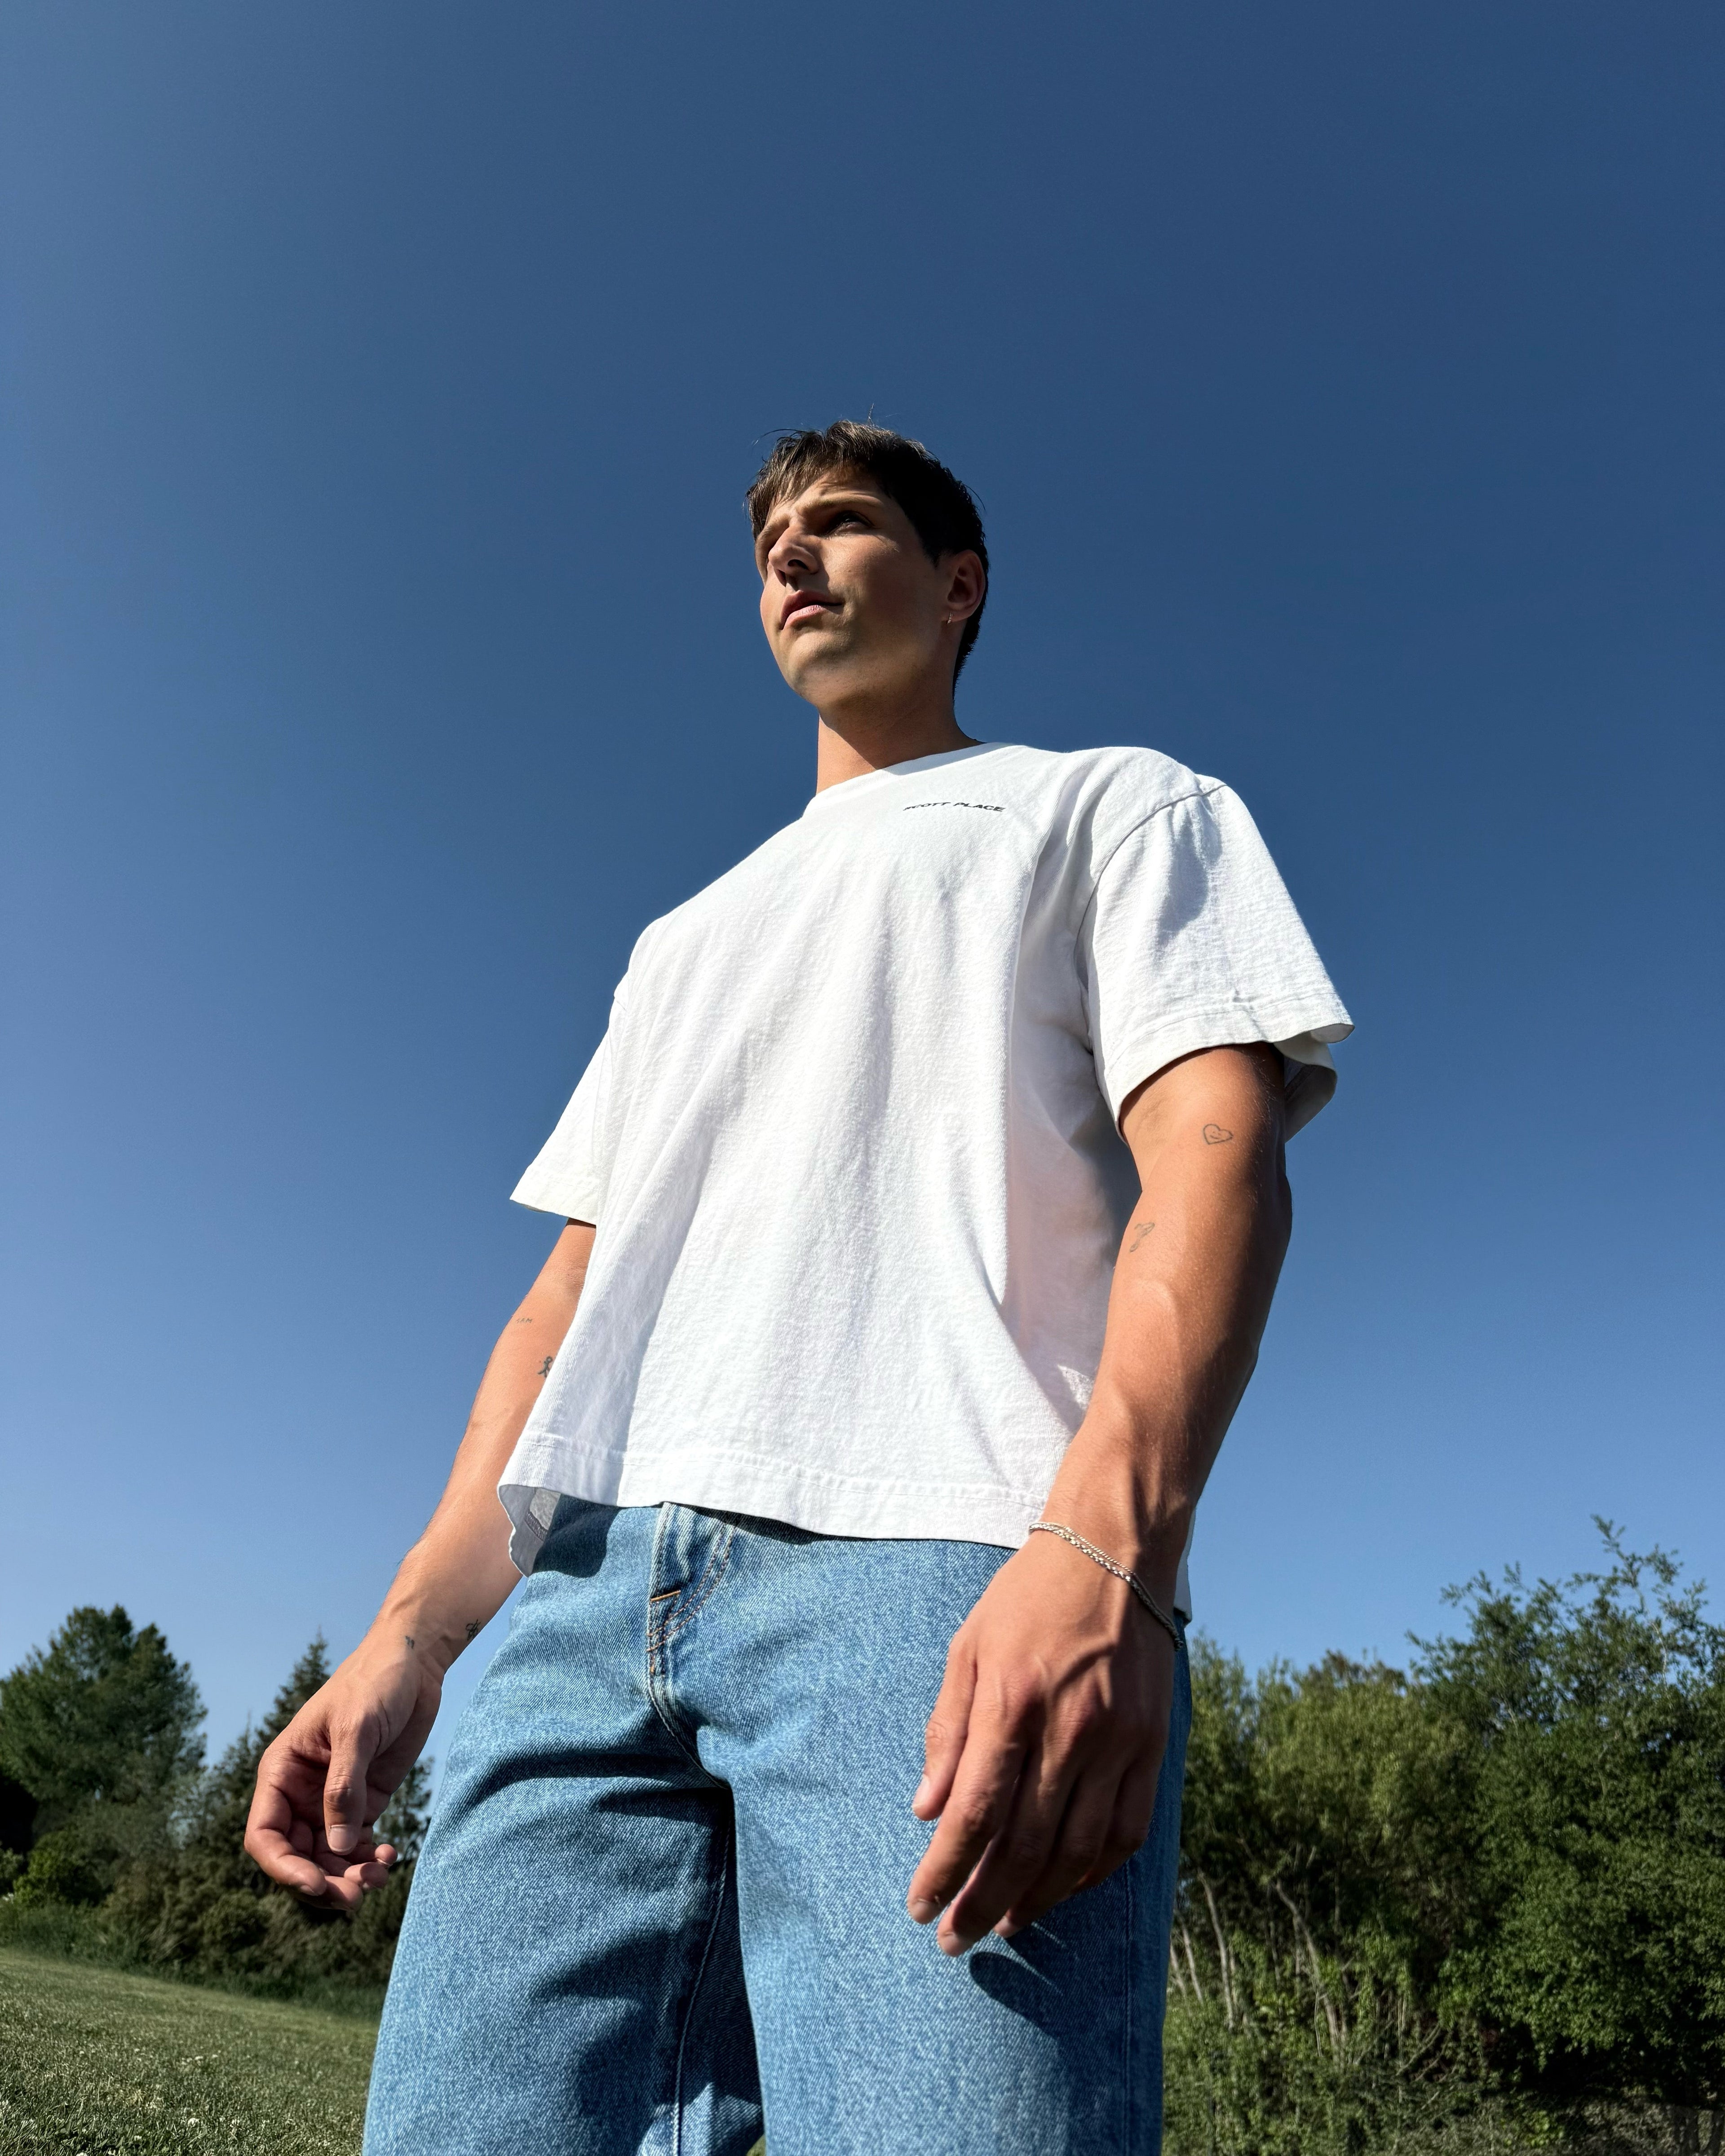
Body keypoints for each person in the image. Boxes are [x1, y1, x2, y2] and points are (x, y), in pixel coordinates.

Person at [246, 421, 1351, 2154]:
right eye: (771, 536)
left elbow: (1218, 1152)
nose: (791, 557)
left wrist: (1105, 1554)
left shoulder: (1113, 803)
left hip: (939, 1589)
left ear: (960, 583)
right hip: (581, 1618)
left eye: (841, 523)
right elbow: (566, 1312)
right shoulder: (678, 941)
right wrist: (409, 1633)